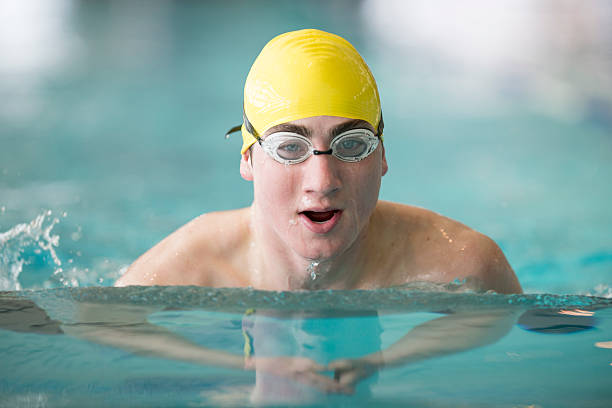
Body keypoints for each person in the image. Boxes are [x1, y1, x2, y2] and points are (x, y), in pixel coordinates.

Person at [116, 28, 522, 295]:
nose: (322, 180)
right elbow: (94, 328)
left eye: (351, 145)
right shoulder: (186, 271)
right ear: (248, 159)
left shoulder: (463, 268)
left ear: (382, 156)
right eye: (290, 147)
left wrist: (402, 356)